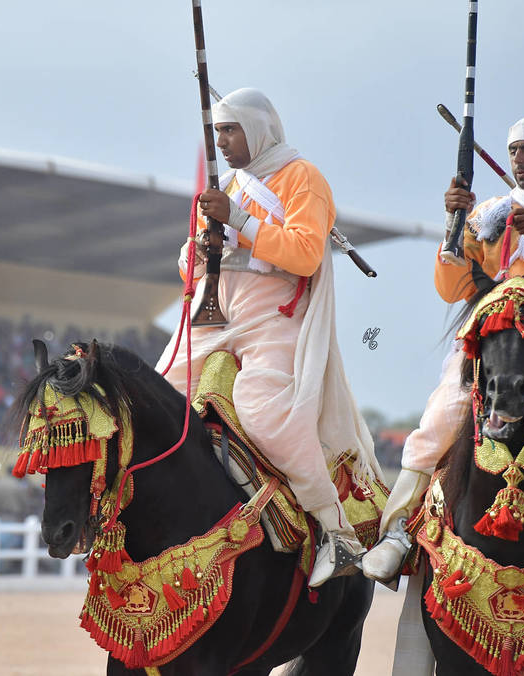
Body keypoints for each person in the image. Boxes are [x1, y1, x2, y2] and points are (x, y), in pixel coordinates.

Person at [155, 88, 380, 587]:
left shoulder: (303, 178)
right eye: (217, 132)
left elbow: (304, 255)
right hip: (212, 319)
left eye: (230, 130)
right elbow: (187, 273)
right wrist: (203, 245)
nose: (222, 142)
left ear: (258, 130)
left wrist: (239, 221)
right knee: (154, 399)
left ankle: (334, 529)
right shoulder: (226, 186)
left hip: (273, 319)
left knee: (263, 411)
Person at [362, 114, 524, 582]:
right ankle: (399, 531)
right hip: (492, 345)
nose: (519, 159)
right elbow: (454, 286)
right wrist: (455, 223)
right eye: (515, 150)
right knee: (438, 420)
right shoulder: (495, 214)